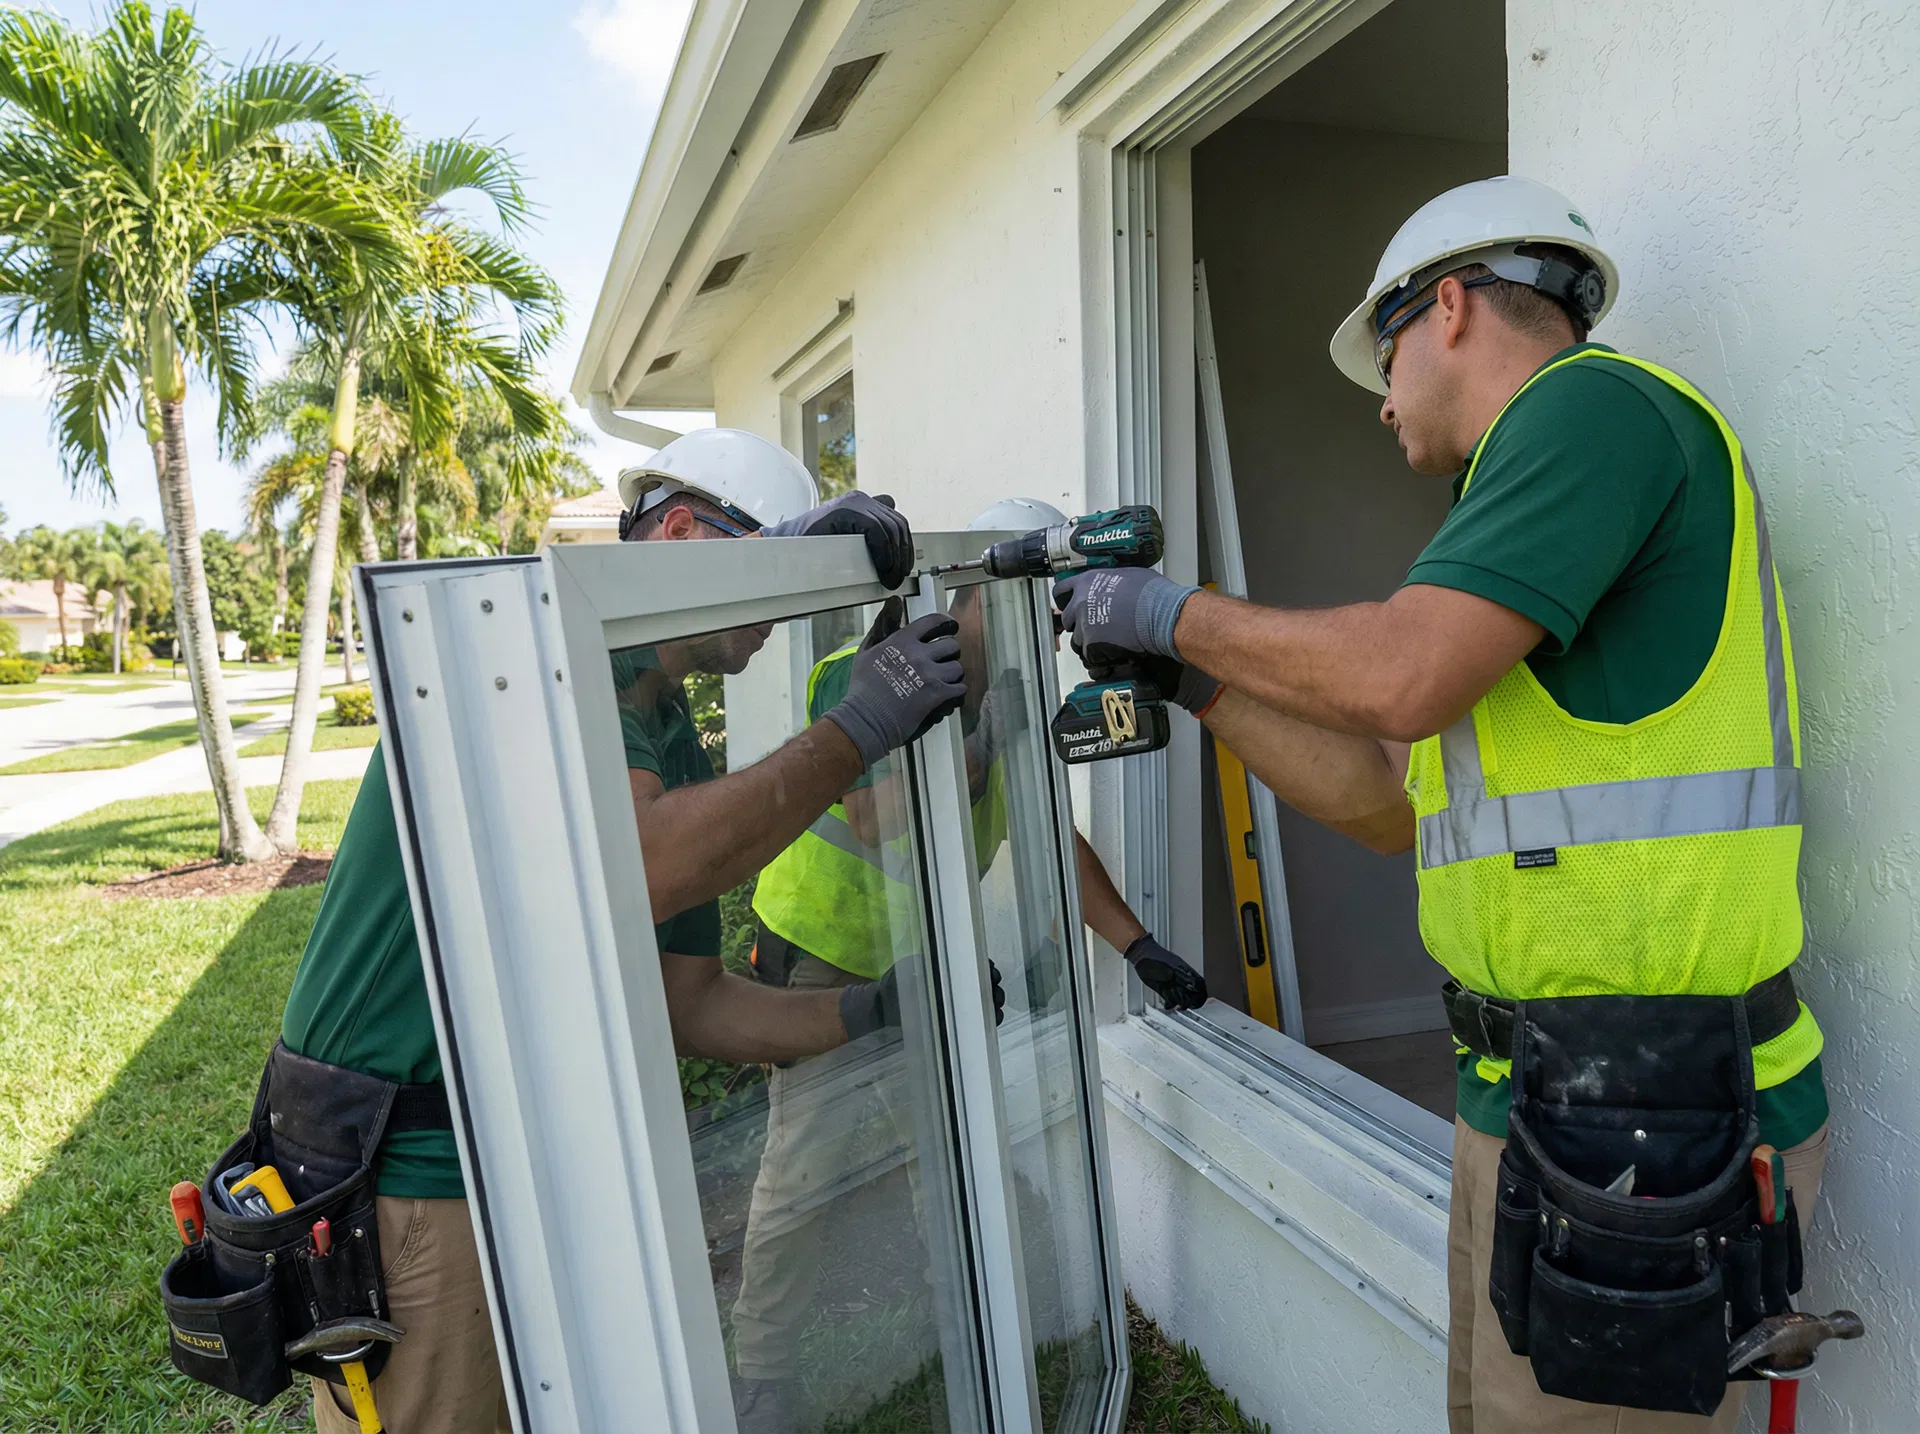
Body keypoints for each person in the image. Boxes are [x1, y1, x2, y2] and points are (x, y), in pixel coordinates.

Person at [1053, 177, 1829, 1434]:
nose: (1380, 399)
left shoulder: (1592, 412)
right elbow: (1383, 805)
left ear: (1453, 306)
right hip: (1534, 1106)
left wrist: (1167, 607)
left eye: (1386, 351)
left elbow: (1398, 677)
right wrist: (1190, 678)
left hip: (1656, 1114)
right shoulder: (1519, 525)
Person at [277, 428, 973, 1434]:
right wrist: (861, 724)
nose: (781, 613)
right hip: (406, 1168)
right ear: (683, 532)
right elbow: (649, 863)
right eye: (771, 563)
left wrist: (879, 1009)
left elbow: (693, 1002)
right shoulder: (544, 660)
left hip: (510, 1150)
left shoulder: (668, 725)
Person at [728, 499, 1207, 1430]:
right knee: (803, 1172)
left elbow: (1048, 835)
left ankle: (974, 1339)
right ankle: (764, 1374)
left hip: (923, 957)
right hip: (820, 965)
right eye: (1037, 599)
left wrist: (1136, 945)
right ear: (974, 595)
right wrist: (987, 750)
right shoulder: (868, 672)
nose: (1054, 624)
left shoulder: (1007, 695)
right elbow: (870, 815)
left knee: (945, 1151)